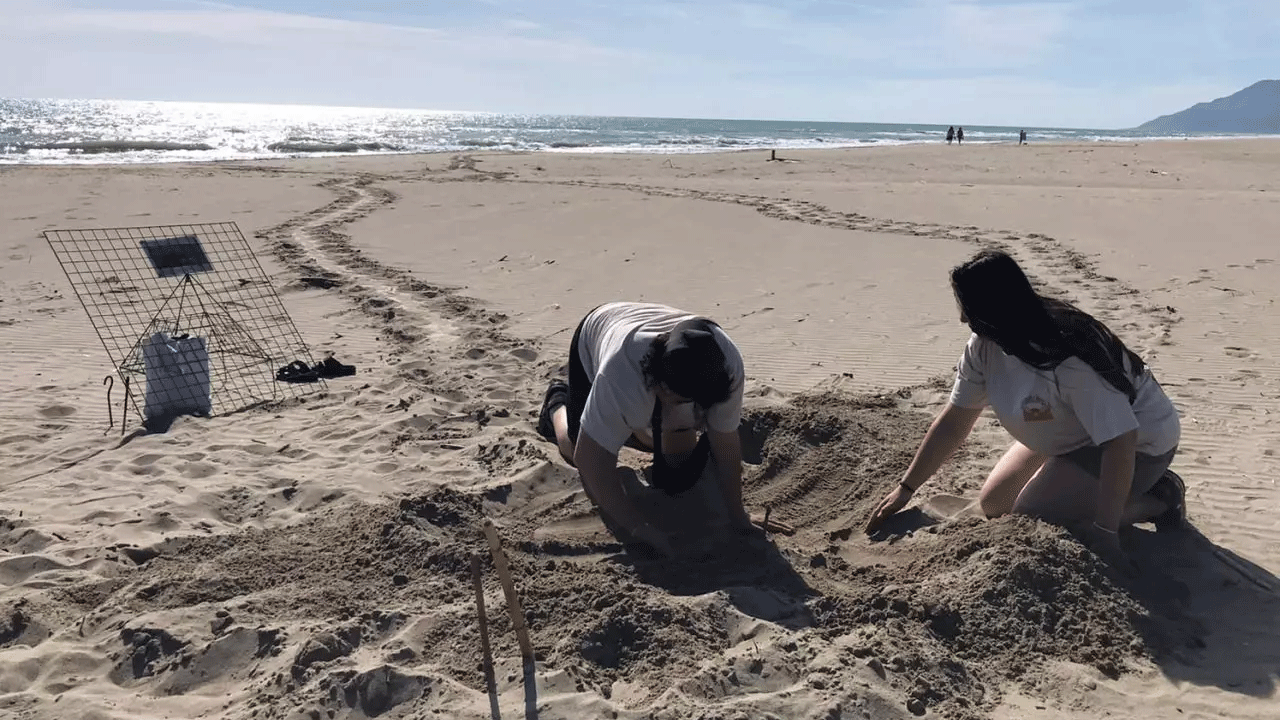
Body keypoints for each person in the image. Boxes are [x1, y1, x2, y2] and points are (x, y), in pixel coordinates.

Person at [864, 250, 1185, 555]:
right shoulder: (984, 347)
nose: (962, 318)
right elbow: (955, 421)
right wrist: (906, 489)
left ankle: (1159, 497)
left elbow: (1121, 440)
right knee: (994, 505)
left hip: (1138, 443)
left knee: (1036, 515)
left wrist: (1106, 530)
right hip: (1067, 433)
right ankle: (1074, 486)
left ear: (995, 309)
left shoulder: (1069, 359)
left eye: (969, 308)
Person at [536, 302, 753, 556]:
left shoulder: (727, 365)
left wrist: (738, 514)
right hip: (597, 331)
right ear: (657, 382)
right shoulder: (621, 375)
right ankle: (557, 402)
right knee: (574, 449)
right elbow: (590, 459)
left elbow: (725, 441)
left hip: (668, 355)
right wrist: (639, 527)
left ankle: (637, 428)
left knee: (678, 469)